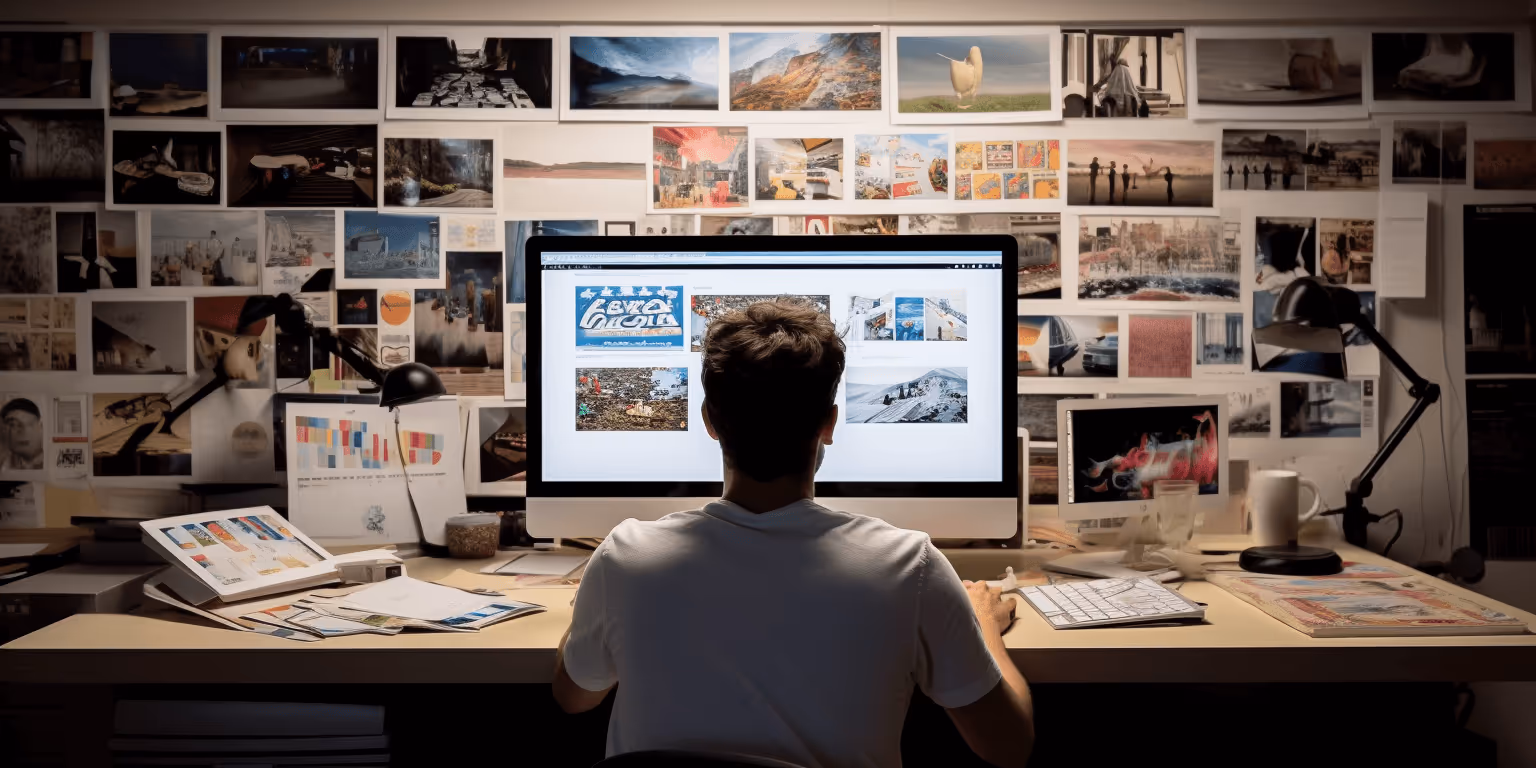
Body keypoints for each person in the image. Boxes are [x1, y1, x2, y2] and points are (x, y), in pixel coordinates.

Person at [553, 301, 1035, 768]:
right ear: (829, 423)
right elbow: (1008, 746)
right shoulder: (910, 567)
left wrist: (592, 608)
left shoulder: (625, 558)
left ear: (709, 421)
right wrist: (984, 627)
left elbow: (573, 698)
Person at [0, 398, 43, 471]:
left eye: (30, 424)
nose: (24, 431)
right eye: (14, 425)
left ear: (41, 427)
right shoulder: (6, 461)